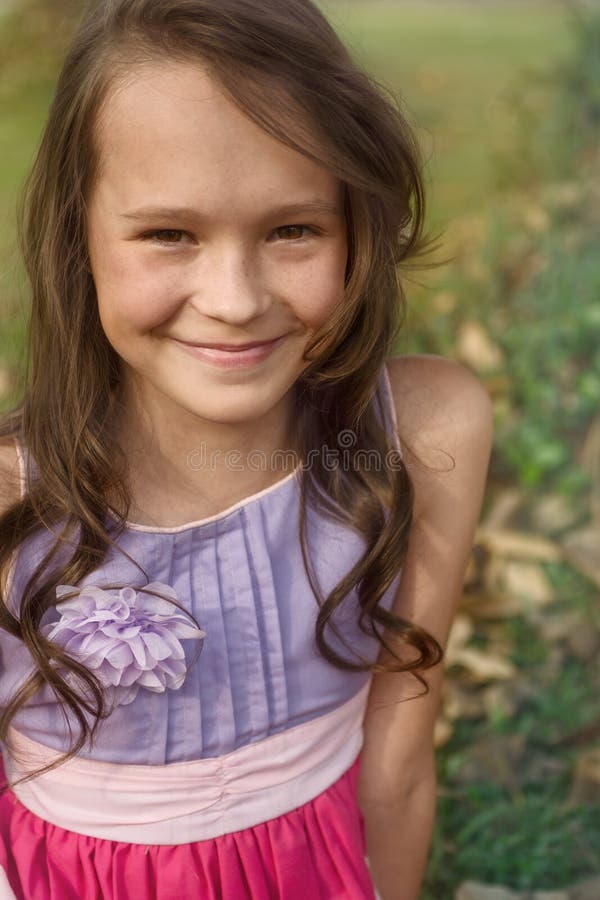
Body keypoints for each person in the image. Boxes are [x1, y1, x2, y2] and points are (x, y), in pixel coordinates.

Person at [0, 0, 493, 898]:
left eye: (292, 229)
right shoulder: (13, 498)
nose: (233, 299)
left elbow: (401, 757)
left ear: (359, 226)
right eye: (168, 234)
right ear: (79, 236)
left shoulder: (424, 434)